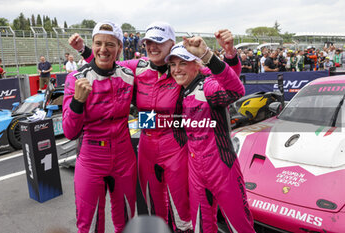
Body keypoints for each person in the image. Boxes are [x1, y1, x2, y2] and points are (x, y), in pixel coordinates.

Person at [68, 23, 240, 233]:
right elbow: (106, 62)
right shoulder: (138, 66)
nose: (152, 47)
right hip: (146, 146)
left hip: (175, 145)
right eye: (149, 42)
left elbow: (225, 80)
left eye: (159, 42)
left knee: (182, 212)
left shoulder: (180, 67)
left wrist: (230, 55)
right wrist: (84, 50)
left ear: (171, 44)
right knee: (154, 207)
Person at [165, 37, 255, 233]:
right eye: (172, 64)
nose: (176, 69)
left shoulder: (208, 85)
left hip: (222, 168)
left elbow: (235, 89)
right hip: (195, 170)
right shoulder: (181, 90)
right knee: (201, 228)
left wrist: (208, 55)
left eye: (182, 63)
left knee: (240, 227)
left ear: (196, 65)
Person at [62, 21, 137, 233]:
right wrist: (77, 102)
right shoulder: (76, 78)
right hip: (91, 158)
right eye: (98, 43)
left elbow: (158, 70)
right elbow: (69, 132)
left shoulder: (129, 74)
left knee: (127, 220)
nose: (103, 49)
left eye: (110, 44)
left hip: (124, 157)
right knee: (90, 224)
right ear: (92, 45)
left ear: (120, 48)